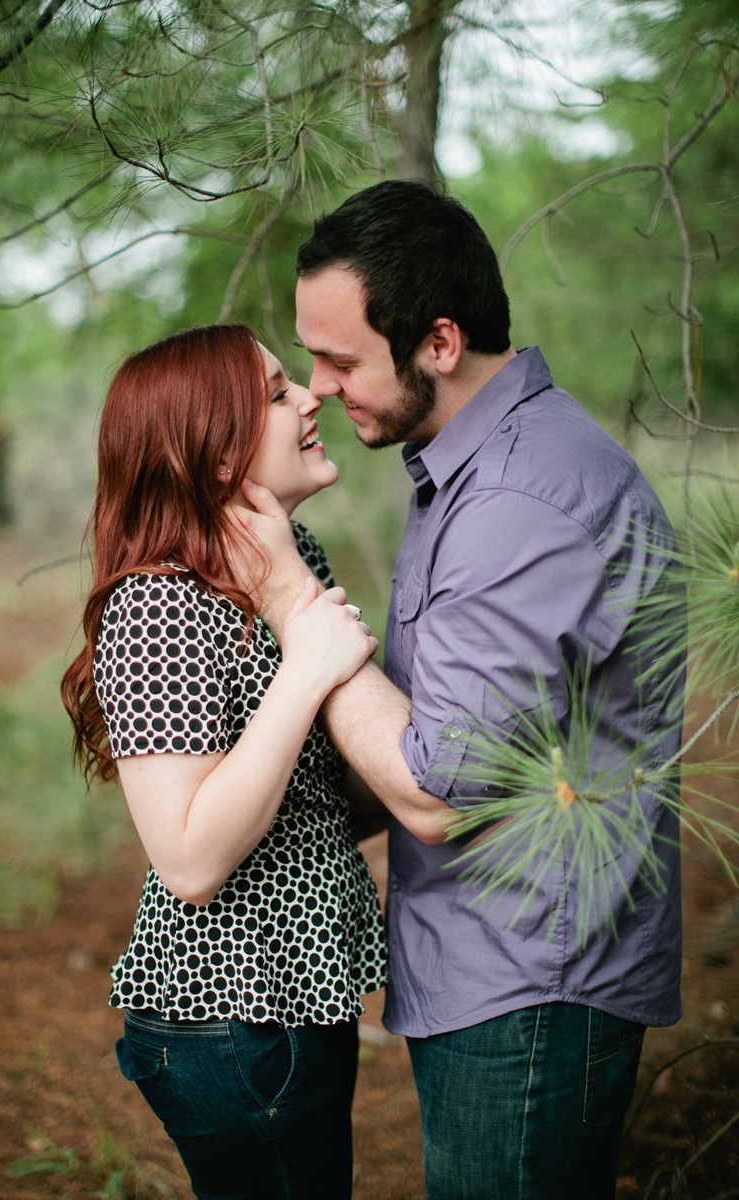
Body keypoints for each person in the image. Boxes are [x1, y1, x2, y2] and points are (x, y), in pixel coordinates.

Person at [230, 180, 686, 1200]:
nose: (319, 387)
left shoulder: (519, 499)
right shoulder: (470, 466)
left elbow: (437, 795)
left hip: (528, 985)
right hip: (492, 969)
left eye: (340, 358)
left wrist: (292, 601)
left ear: (438, 341)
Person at [60, 323, 387, 1200]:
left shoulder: (286, 561)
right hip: (227, 1014)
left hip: (300, 995)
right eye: (278, 394)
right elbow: (191, 859)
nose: (310, 397)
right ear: (211, 456)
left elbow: (316, 799)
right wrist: (312, 663)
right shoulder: (157, 603)